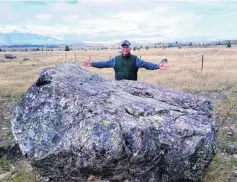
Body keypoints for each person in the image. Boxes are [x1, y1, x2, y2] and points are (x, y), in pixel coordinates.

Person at [83, 40, 168, 81]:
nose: (125, 49)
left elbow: (146, 65)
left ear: (130, 48)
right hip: (118, 88)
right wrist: (92, 64)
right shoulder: (115, 60)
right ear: (121, 48)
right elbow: (104, 63)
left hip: (132, 88)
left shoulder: (135, 59)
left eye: (126, 47)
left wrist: (158, 66)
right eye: (123, 47)